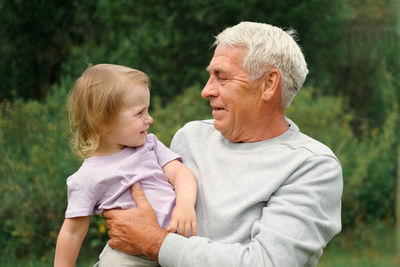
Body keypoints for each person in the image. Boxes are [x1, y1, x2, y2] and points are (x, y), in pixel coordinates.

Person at [103, 21, 343, 266]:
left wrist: (155, 242)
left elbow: (266, 262)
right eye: (210, 76)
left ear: (269, 84)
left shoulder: (312, 166)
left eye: (222, 77)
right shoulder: (190, 137)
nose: (206, 91)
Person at [54, 64, 197, 267]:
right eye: (140, 113)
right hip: (129, 257)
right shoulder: (87, 177)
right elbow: (73, 232)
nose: (150, 119)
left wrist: (184, 205)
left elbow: (181, 174)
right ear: (103, 121)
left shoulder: (150, 144)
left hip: (173, 245)